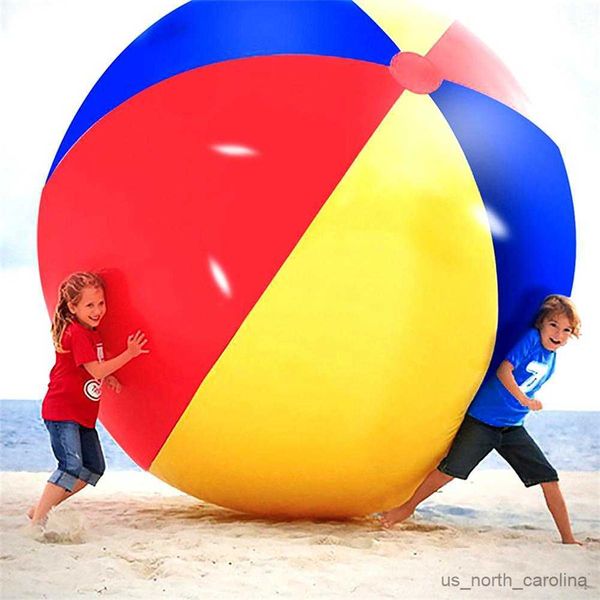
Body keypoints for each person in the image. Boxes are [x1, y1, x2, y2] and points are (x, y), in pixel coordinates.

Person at [379, 295, 583, 545]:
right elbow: (504, 370)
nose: (558, 334)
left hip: (512, 428)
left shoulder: (551, 358)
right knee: (449, 471)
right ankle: (406, 508)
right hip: (482, 421)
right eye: (553, 325)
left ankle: (569, 539)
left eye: (566, 330)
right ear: (541, 323)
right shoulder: (531, 340)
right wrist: (525, 400)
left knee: (549, 479)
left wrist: (525, 403)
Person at [29, 272, 148, 526]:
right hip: (62, 411)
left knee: (94, 468)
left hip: (82, 414)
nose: (97, 310)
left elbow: (93, 368)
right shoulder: (77, 332)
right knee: (70, 466)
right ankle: (37, 521)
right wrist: (130, 353)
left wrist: (110, 376)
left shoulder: (92, 333)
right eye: (90, 305)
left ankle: (40, 507)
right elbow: (95, 370)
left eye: (101, 303)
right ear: (73, 307)